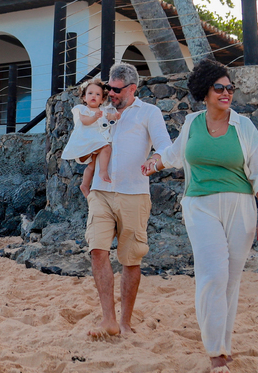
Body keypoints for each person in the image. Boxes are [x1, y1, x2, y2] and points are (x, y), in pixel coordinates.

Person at [141, 58, 258, 373]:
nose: (226, 93)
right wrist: (154, 162)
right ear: (205, 92)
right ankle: (215, 354)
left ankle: (224, 348)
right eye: (219, 88)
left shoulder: (244, 127)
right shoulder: (192, 123)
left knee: (230, 280)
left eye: (230, 88)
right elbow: (175, 155)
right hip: (200, 205)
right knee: (213, 275)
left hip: (240, 206)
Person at [83, 61, 174, 339]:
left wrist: (156, 160)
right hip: (100, 192)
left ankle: (125, 322)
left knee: (131, 260)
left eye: (116, 89)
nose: (110, 93)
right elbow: (83, 147)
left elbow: (166, 147)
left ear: (132, 88)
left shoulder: (150, 112)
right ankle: (108, 320)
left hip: (135, 194)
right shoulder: (100, 113)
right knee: (97, 251)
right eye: (108, 87)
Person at [60, 78, 115, 197]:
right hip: (86, 140)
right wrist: (95, 117)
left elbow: (110, 116)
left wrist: (115, 116)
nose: (93, 96)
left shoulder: (103, 110)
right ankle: (103, 171)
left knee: (92, 165)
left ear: (102, 99)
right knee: (107, 148)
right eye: (90, 93)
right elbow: (85, 121)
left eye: (97, 94)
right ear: (84, 97)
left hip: (96, 141)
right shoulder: (82, 109)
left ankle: (85, 184)